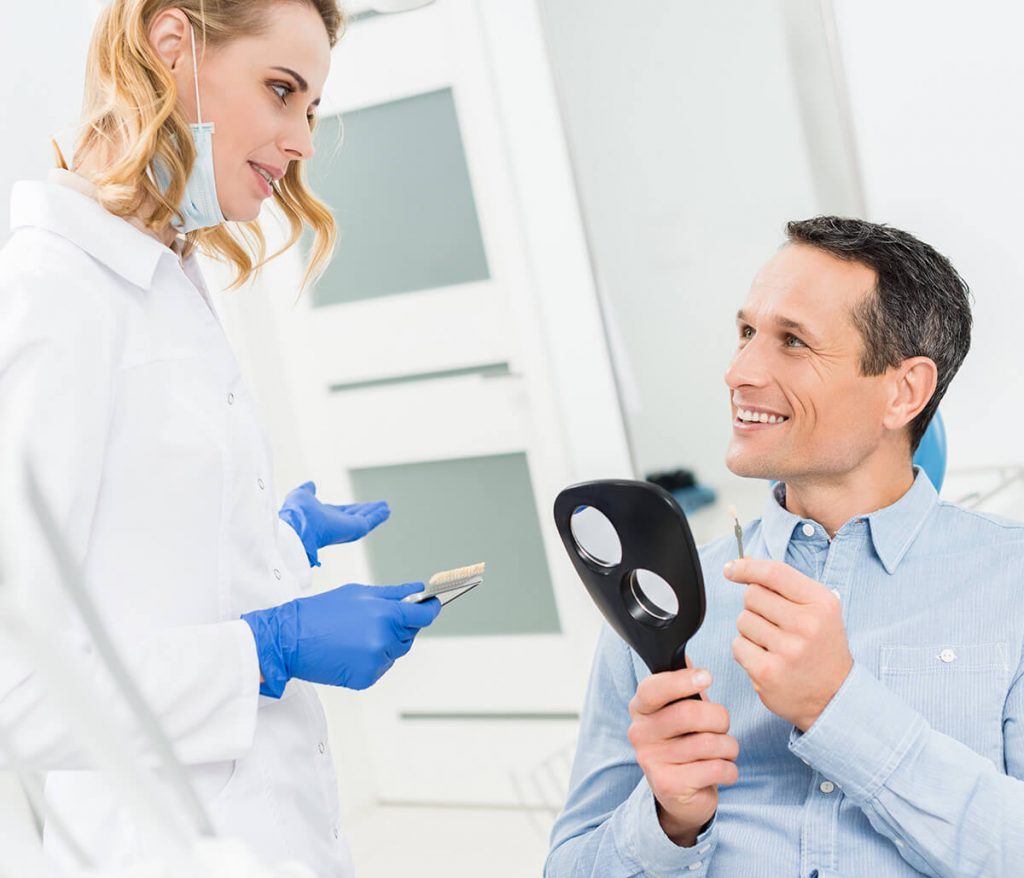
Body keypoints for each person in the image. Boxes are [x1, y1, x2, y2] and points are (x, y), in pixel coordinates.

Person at [0, 2, 440, 875]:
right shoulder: (52, 296)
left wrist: (275, 540)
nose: (303, 140)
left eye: (310, 109)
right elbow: (19, 687)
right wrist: (269, 649)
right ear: (173, 49)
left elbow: (134, 561)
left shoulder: (163, 270)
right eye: (282, 90)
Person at [547, 216, 1024, 876]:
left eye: (793, 342)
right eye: (746, 333)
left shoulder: (1010, 582)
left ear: (904, 390)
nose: (738, 372)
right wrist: (666, 822)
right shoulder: (658, 597)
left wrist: (838, 708)